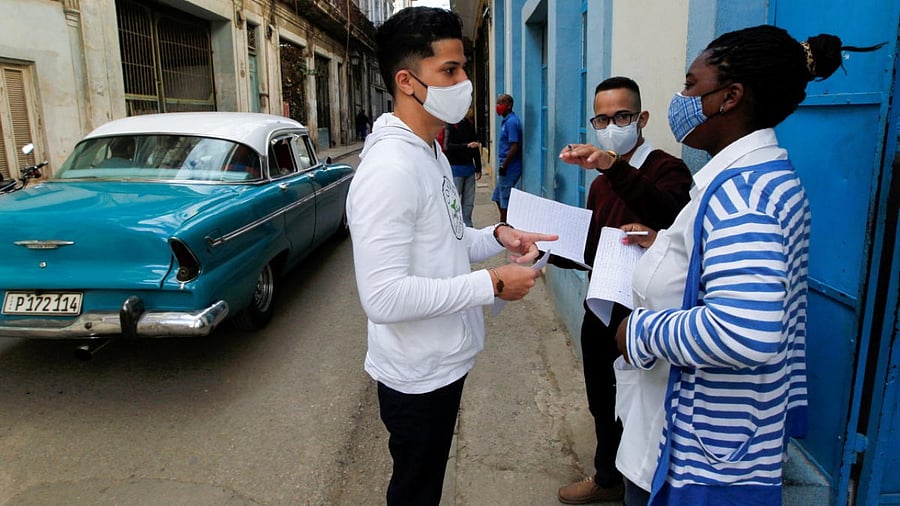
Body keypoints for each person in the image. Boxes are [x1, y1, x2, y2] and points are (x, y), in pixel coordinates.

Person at [614, 26, 884, 506]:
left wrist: (636, 333)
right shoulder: (761, 178)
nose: (682, 97)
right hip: (730, 437)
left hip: (700, 454)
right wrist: (672, 248)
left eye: (692, 85)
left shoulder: (741, 197)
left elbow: (744, 331)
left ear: (730, 97)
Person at [345, 7, 558, 506]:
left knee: (428, 483)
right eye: (450, 70)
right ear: (407, 80)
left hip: (444, 361)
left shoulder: (429, 150)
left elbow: (447, 237)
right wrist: (494, 285)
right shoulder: (389, 169)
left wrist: (498, 235)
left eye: (463, 67)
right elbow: (383, 296)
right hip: (417, 377)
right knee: (416, 491)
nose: (464, 80)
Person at [554, 77, 693, 505]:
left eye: (622, 116)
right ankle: (607, 476)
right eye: (603, 118)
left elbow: (666, 212)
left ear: (641, 118)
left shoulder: (668, 169)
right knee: (601, 396)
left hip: (648, 315)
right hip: (602, 307)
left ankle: (644, 484)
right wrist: (546, 248)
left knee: (644, 402)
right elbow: (592, 247)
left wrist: (613, 167)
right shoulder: (599, 185)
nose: (611, 125)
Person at [445, 109, 482, 227]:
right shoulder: (450, 126)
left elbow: (475, 146)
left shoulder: (469, 125)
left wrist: (478, 167)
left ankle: (467, 224)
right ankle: (455, 224)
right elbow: (448, 146)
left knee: (469, 200)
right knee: (455, 200)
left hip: (469, 168)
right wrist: (466, 146)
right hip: (456, 168)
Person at [492, 93, 522, 222]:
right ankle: (505, 221)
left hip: (509, 168)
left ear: (509, 106)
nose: (498, 106)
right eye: (497, 103)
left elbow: (515, 146)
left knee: (505, 200)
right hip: (504, 166)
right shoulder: (506, 122)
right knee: (497, 197)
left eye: (501, 104)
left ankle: (505, 225)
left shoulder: (511, 122)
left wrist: (504, 165)